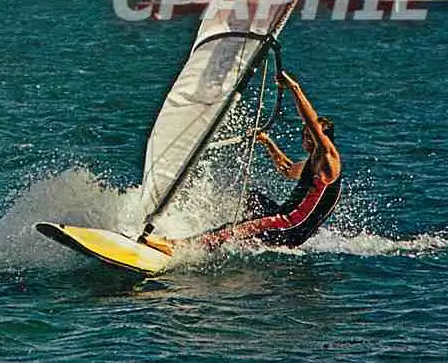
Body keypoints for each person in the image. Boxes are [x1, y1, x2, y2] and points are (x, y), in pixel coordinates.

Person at [143, 71, 342, 256]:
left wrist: (294, 88)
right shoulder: (312, 163)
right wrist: (267, 142)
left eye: (310, 136)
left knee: (238, 230)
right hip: (283, 215)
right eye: (305, 135)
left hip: (291, 226)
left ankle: (180, 247)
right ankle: (234, 236)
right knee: (252, 199)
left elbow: (312, 123)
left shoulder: (329, 159)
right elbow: (287, 169)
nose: (306, 139)